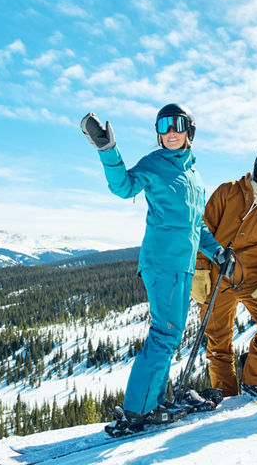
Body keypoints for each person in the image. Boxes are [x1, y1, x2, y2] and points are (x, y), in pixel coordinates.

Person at [81, 103, 233, 436]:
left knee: (171, 334)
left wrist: (218, 252)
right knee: (164, 334)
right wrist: (108, 149)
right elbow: (124, 187)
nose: (170, 132)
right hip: (161, 263)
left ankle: (155, 399)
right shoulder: (154, 164)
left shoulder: (193, 175)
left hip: (184, 265)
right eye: (163, 126)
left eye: (177, 125)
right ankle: (138, 409)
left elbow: (197, 225)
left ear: (189, 131)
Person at [191, 145, 257, 400]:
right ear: (256, 164)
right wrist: (200, 269)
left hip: (256, 278)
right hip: (218, 273)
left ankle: (256, 381)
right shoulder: (229, 191)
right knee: (218, 340)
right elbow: (203, 228)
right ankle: (226, 394)